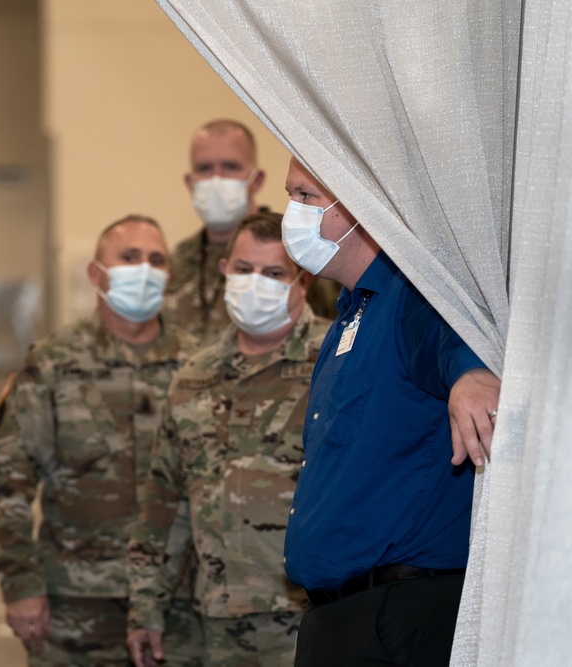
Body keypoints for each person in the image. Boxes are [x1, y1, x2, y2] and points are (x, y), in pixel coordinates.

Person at [279, 158, 501, 667]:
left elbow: (456, 341)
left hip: (397, 617)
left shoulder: (414, 294)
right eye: (290, 195)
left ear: (359, 208)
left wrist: (471, 375)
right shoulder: (354, 310)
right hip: (342, 619)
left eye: (307, 197)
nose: (292, 213)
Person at [0, 215, 203, 666]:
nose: (144, 269)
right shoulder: (54, 362)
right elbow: (11, 479)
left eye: (156, 260)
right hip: (76, 604)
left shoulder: (198, 366)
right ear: (95, 273)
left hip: (178, 599)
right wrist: (20, 582)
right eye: (129, 257)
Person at [127, 211, 330, 667]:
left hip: (314, 618)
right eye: (243, 269)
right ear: (224, 271)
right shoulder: (193, 377)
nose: (255, 282)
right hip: (217, 622)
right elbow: (165, 504)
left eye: (274, 272)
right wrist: (145, 607)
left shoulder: (335, 363)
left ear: (303, 278)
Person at [163, 120, 340, 344]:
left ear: (256, 180)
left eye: (230, 167)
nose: (217, 179)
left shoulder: (301, 251)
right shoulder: (174, 265)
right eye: (204, 169)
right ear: (190, 182)